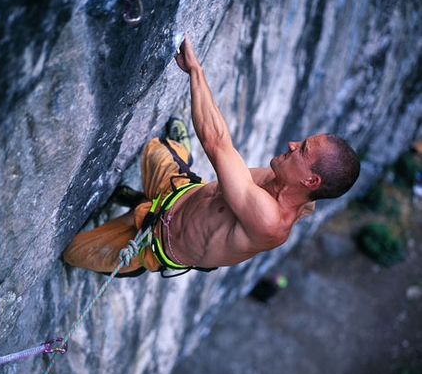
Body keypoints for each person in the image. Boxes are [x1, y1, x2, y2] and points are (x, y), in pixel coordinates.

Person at [63, 33, 360, 277]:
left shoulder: (270, 221)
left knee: (73, 251)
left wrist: (195, 72)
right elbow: (226, 152)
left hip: (153, 246)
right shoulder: (279, 178)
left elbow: (217, 144)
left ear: (311, 180)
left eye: (303, 150)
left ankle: (138, 211)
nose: (293, 144)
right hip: (178, 191)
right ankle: (178, 157)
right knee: (155, 149)